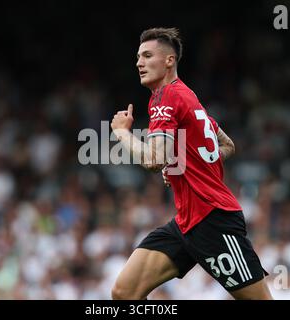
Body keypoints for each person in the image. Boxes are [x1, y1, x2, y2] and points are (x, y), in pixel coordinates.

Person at [110, 27, 272, 300]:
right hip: (186, 222)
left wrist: (122, 132)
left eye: (148, 55)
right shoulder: (188, 96)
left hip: (213, 219)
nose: (139, 63)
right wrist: (180, 162)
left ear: (169, 60)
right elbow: (227, 145)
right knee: (124, 293)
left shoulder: (165, 97)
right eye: (138, 57)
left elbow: (153, 160)